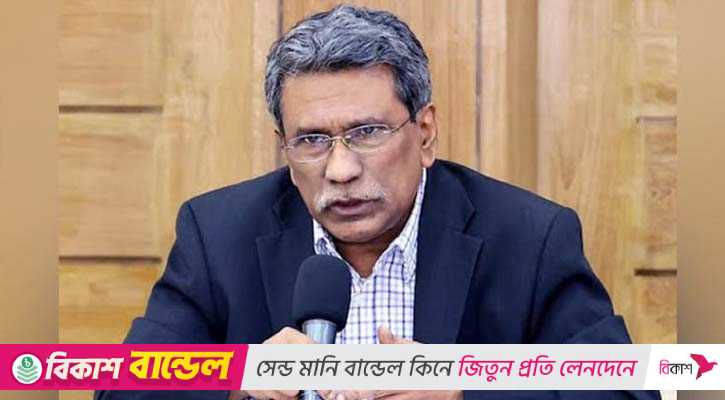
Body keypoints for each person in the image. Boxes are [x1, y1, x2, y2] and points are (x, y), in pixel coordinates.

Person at [96, 4, 660, 400]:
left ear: (425, 132)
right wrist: (236, 378)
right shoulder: (218, 234)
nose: (340, 170)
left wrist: (463, 390)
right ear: (283, 146)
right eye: (311, 140)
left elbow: (625, 389)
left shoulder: (528, 237)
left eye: (367, 132)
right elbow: (123, 388)